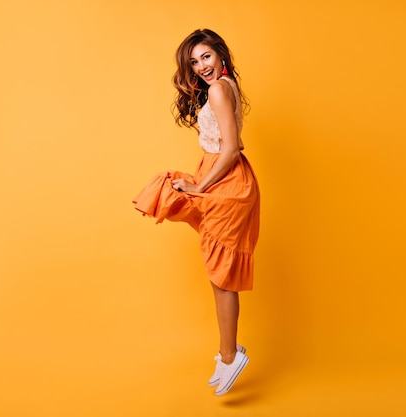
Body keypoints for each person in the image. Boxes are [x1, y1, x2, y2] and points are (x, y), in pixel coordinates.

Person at [133, 28, 260, 397]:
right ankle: (228, 353)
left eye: (206, 56)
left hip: (228, 183)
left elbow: (232, 148)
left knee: (221, 275)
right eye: (194, 61)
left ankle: (229, 356)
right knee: (217, 273)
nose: (201, 66)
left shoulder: (220, 88)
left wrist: (200, 187)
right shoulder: (223, 85)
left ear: (220, 54)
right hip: (219, 177)